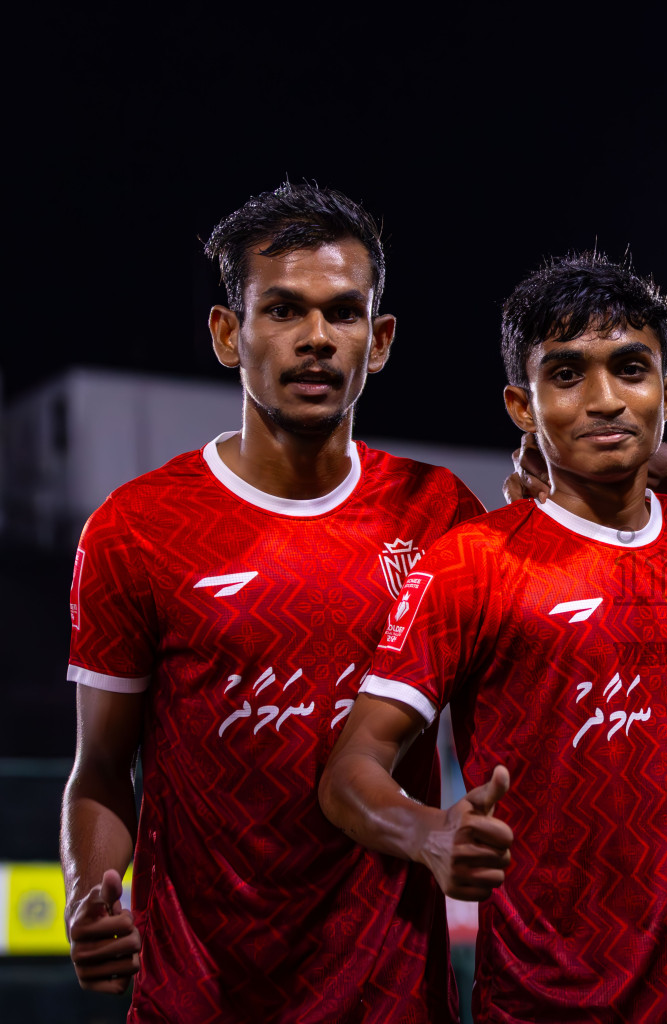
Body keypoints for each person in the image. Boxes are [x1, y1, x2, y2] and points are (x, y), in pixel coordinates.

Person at [319, 253, 667, 1023]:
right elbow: (349, 771)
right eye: (566, 375)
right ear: (521, 406)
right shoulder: (474, 561)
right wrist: (428, 831)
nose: (604, 399)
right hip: (544, 1004)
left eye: (630, 369)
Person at [61, 183, 482, 1022]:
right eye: (284, 310)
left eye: (344, 314)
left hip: (393, 995)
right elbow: (102, 770)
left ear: (382, 339)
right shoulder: (135, 528)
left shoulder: (439, 515)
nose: (317, 340)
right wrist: (88, 893)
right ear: (228, 333)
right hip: (199, 995)